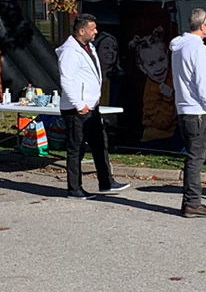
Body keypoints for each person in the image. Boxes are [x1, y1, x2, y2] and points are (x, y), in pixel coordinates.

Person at [56, 13, 129, 199]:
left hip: (92, 106)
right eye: (92, 29)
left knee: (99, 143)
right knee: (76, 148)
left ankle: (106, 181)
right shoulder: (70, 51)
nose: (96, 32)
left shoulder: (89, 47)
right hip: (77, 109)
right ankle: (74, 188)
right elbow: (67, 80)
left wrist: (95, 96)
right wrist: (79, 104)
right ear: (81, 31)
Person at [170, 8, 206, 218]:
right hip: (198, 110)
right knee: (196, 158)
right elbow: (203, 83)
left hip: (183, 107)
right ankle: (192, 202)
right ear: (202, 25)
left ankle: (190, 201)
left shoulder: (179, 47)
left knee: (192, 156)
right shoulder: (199, 49)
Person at [130, 26, 177, 142]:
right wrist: (168, 98)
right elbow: (163, 123)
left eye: (161, 60)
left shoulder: (172, 75)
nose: (158, 68)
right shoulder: (150, 93)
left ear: (167, 54)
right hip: (157, 139)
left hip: (176, 133)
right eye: (151, 64)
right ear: (143, 68)